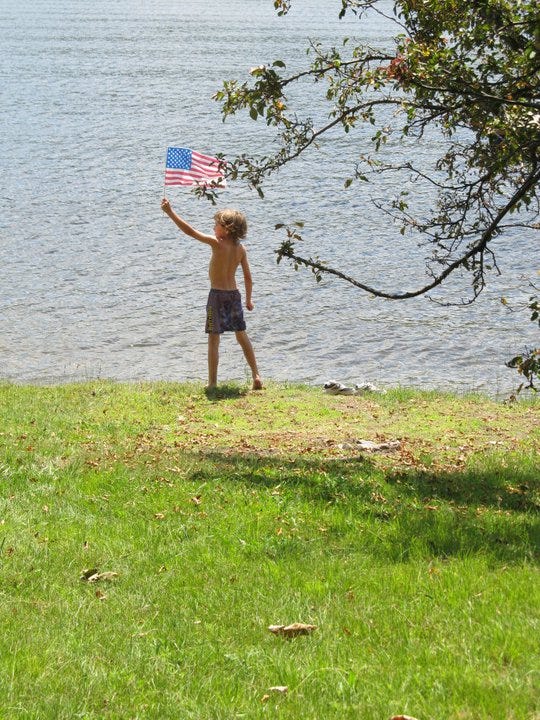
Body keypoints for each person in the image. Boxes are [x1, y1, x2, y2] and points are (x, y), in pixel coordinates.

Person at [161, 198, 262, 391]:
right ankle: (256, 374)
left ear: (227, 229)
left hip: (216, 296)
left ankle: (213, 383)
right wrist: (248, 299)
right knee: (241, 335)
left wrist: (170, 213)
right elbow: (248, 277)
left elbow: (190, 231)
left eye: (216, 224)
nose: (214, 227)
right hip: (234, 295)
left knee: (213, 339)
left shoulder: (217, 243)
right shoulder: (240, 249)